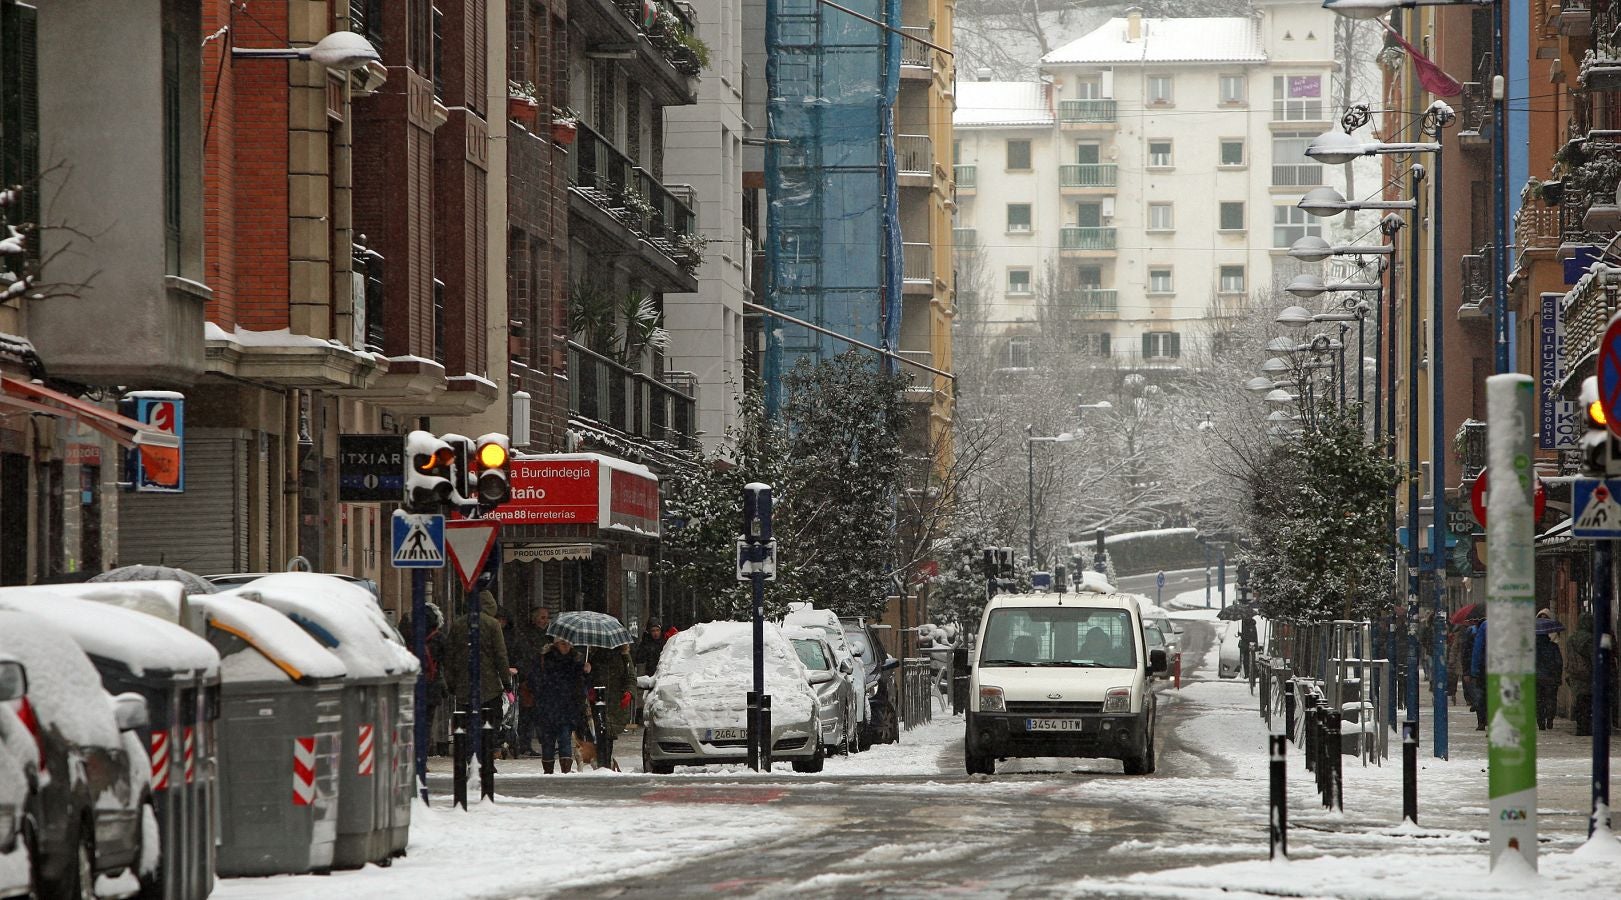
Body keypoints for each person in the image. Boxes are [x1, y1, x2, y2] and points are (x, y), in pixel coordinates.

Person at [446, 590, 514, 770]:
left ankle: (471, 759)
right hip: (489, 686)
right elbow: (501, 655)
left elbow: (450, 656)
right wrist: (506, 682)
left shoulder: (458, 624)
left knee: (467, 726)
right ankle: (486, 759)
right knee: (490, 723)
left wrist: (451, 682)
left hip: (464, 687)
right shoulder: (493, 625)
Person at [535, 637, 590, 774]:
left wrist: (585, 671)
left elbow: (580, 684)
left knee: (564, 739)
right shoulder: (545, 659)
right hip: (549, 706)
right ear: (555, 644)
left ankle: (565, 770)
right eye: (562, 643)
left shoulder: (576, 661)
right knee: (548, 741)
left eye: (568, 644)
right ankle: (548, 770)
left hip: (567, 707)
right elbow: (536, 680)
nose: (565, 647)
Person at [512, 606, 553, 755]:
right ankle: (525, 745)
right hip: (530, 679)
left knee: (542, 714)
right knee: (528, 714)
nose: (545, 621)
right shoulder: (526, 635)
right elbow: (524, 656)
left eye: (547, 617)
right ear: (534, 618)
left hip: (543, 680)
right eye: (542, 617)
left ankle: (546, 743)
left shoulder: (548, 636)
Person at [1567, 612, 1595, 736]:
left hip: (1574, 673)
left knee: (1579, 700)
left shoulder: (1571, 638)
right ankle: (1586, 727)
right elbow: (1593, 657)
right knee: (1588, 701)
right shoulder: (1589, 639)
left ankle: (1581, 726)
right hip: (1587, 674)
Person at [1535, 610, 1564, 731]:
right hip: (1551, 678)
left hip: (1536, 678)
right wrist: (1558, 676)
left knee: (1538, 700)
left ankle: (1540, 722)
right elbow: (1558, 662)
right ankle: (1550, 719)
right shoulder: (1553, 646)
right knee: (1551, 699)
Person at [1470, 618, 1488, 731]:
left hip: (1484, 668)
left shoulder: (1484, 627)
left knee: (1481, 696)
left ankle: (1481, 721)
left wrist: (1474, 671)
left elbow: (1477, 650)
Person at [1239, 613, 1259, 681]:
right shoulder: (1246, 624)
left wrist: (1242, 635)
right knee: (1246, 661)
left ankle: (1251, 675)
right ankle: (1248, 674)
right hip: (1246, 647)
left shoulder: (1251, 626)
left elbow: (1250, 637)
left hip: (1250, 647)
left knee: (1249, 661)